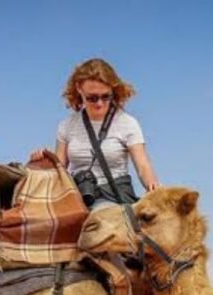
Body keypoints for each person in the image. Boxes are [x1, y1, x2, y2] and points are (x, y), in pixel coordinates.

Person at [31, 58, 160, 209]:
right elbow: (59, 170)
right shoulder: (67, 126)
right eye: (92, 98)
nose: (99, 104)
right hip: (78, 197)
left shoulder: (127, 123)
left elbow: (143, 164)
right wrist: (42, 160)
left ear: (113, 90)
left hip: (114, 197)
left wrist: (153, 187)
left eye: (106, 96)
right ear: (79, 89)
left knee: (100, 215)